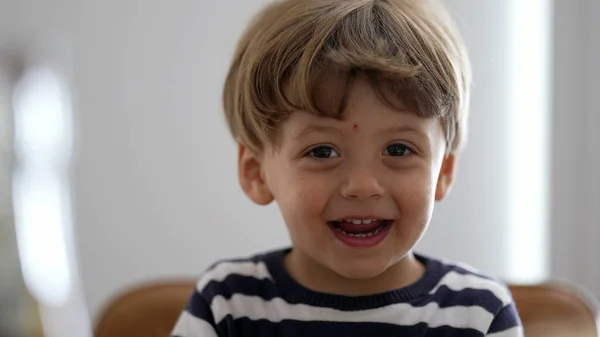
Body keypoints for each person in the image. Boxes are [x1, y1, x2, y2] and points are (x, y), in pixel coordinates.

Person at [171, 0, 523, 336]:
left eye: (399, 149)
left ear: (443, 171)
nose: (363, 186)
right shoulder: (226, 305)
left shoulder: (479, 314)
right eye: (323, 151)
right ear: (256, 173)